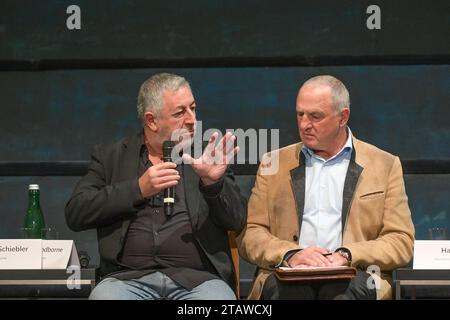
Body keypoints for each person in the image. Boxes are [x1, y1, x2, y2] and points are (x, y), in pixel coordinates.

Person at [65, 72, 247, 300]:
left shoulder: (207, 155)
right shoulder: (111, 157)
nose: (192, 119)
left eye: (193, 108)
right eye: (180, 112)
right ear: (151, 121)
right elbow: (76, 213)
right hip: (127, 280)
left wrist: (212, 184)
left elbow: (237, 221)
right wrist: (138, 189)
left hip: (198, 281)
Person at [237, 75, 414, 300]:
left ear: (343, 117)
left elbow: (400, 241)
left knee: (342, 293)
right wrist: (291, 254)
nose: (304, 124)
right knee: (293, 293)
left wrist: (348, 255)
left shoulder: (385, 165)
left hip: (356, 273)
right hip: (288, 275)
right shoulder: (273, 164)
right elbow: (251, 233)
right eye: (300, 114)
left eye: (315, 116)